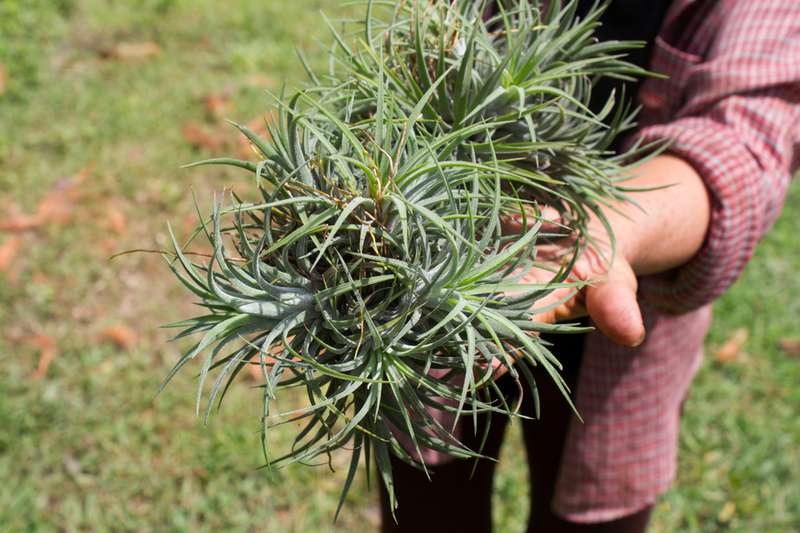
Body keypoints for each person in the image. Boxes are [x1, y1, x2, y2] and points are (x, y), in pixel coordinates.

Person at [379, 1, 800, 531]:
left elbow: (741, 143)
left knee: (593, 509)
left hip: (623, 312)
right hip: (442, 278)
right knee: (426, 501)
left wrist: (607, 229)